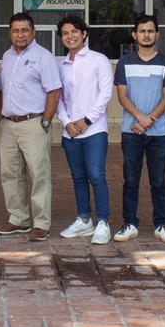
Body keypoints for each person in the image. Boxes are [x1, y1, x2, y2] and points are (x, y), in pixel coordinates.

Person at [0, 12, 62, 242]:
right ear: (10, 32)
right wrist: (0, 117)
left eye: (25, 30)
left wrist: (46, 120)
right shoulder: (7, 56)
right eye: (16, 30)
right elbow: (2, 88)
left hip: (33, 123)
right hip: (8, 125)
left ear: (33, 32)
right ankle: (18, 218)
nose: (20, 34)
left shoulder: (44, 57)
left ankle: (41, 223)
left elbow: (54, 90)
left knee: (38, 174)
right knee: (10, 173)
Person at [112, 14, 165, 244]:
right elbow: (122, 96)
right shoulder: (125, 62)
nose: (146, 35)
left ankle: (161, 224)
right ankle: (129, 223)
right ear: (135, 35)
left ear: (157, 34)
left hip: (159, 133)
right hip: (131, 131)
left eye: (151, 31)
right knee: (130, 180)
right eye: (142, 31)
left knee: (158, 181)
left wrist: (149, 119)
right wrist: (140, 118)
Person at [55, 16, 115, 244]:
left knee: (96, 175)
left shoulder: (99, 60)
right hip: (69, 132)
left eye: (74, 32)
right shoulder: (60, 65)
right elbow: (56, 96)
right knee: (78, 177)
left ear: (84, 33)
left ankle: (103, 222)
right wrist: (67, 121)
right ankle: (84, 220)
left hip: (94, 131)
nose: (69, 36)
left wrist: (85, 121)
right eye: (65, 33)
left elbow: (105, 94)